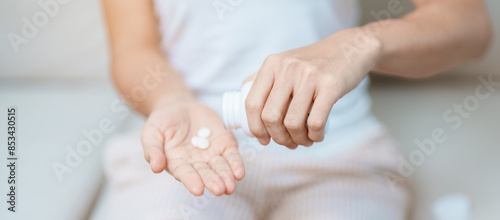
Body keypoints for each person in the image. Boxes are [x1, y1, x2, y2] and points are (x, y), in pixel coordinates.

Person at [101, 0, 492, 219]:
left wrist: (360, 44)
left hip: (341, 159)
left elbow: (469, 26)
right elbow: (134, 50)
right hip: (185, 159)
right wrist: (172, 101)